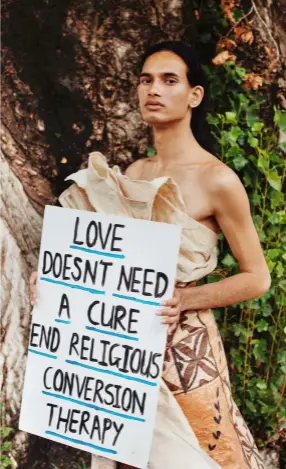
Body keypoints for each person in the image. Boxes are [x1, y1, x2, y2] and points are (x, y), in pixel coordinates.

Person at [30, 41, 270, 469]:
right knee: (125, 460)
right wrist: (55, 280)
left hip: (184, 348)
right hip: (119, 346)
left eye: (169, 80)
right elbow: (103, 260)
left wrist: (185, 299)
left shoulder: (218, 180)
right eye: (145, 80)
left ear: (194, 95)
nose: (153, 89)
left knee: (203, 457)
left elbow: (257, 278)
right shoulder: (132, 174)